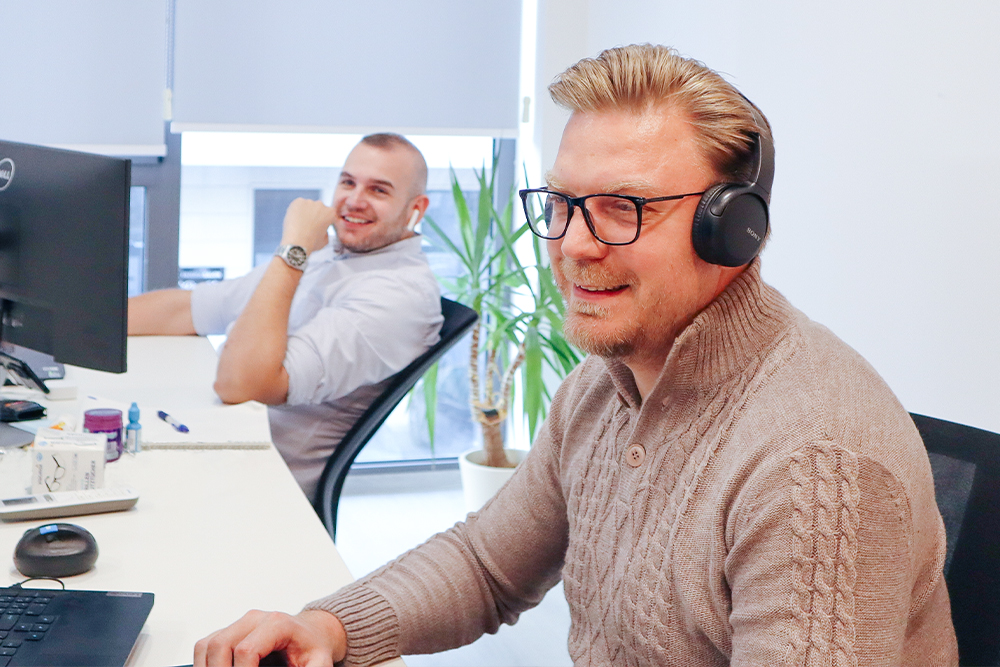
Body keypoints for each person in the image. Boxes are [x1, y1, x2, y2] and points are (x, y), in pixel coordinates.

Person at [194, 45, 957, 667]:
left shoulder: (811, 462)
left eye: (624, 208)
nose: (574, 246)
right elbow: (487, 564)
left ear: (734, 231)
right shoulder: (606, 383)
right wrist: (329, 629)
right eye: (561, 204)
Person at [129, 133, 443, 499]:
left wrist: (294, 248)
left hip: (260, 488)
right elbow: (190, 309)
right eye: (348, 182)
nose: (354, 201)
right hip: (222, 444)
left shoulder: (399, 296)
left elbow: (241, 385)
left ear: (416, 208)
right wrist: (90, 327)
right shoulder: (333, 254)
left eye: (379, 190)